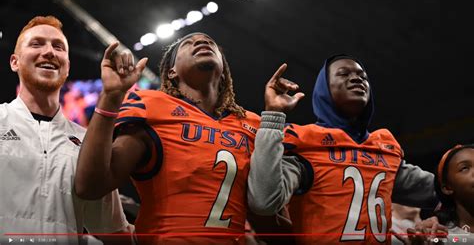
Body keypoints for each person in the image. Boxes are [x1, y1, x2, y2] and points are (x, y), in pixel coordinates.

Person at [74, 32, 261, 244]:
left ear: (224, 72)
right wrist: (110, 97)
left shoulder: (252, 124)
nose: (202, 42)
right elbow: (89, 186)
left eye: (210, 42)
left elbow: (265, 212)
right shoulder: (151, 105)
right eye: (188, 43)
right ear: (171, 72)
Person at [248, 55, 439, 244]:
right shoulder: (307, 144)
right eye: (343, 73)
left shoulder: (384, 148)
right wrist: (274, 114)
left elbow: (447, 189)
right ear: (324, 89)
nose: (356, 78)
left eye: (362, 76)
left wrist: (442, 218)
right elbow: (264, 203)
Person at [0, 16, 131, 244]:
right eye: (37, 44)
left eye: (58, 47)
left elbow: (115, 233)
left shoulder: (88, 143)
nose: (49, 51)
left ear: (67, 67)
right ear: (14, 62)